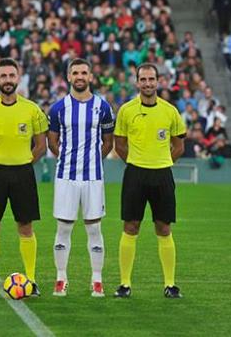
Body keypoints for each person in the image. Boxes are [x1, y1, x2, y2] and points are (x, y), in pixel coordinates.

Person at [0, 58, 48, 297]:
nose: (7, 80)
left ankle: (32, 280)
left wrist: (23, 163)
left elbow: (41, 146)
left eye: (11, 76)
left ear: (18, 77)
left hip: (23, 173)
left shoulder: (32, 109)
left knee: (25, 226)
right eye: (3, 76)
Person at [113, 63, 186, 299]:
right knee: (130, 226)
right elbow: (119, 144)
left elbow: (179, 145)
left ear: (158, 81)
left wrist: (163, 161)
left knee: (164, 227)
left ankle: (170, 284)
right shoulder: (126, 110)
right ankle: (124, 284)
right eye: (143, 79)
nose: (147, 83)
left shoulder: (170, 111)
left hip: (163, 174)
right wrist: (135, 162)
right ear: (136, 82)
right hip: (135, 174)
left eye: (151, 79)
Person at [47, 58, 115, 297]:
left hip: (93, 177)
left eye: (84, 72)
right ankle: (61, 278)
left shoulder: (103, 107)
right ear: (68, 77)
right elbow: (52, 142)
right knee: (63, 227)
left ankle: (97, 280)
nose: (79, 76)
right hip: (65, 177)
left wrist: (93, 160)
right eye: (75, 72)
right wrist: (66, 158)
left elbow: (108, 142)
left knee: (94, 228)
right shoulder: (57, 108)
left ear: (90, 77)